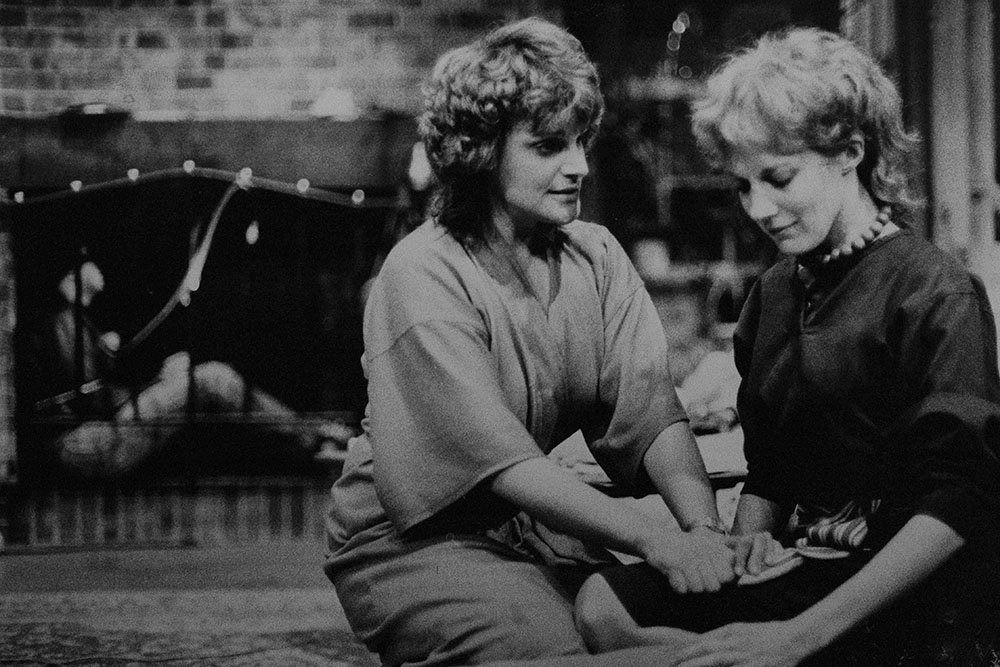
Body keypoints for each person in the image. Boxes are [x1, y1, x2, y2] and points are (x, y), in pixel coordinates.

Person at [574, 27, 1000, 666]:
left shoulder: (935, 289)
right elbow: (772, 472)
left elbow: (962, 497)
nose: (760, 209)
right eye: (744, 186)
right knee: (602, 604)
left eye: (779, 177)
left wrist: (798, 637)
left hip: (913, 587)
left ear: (850, 152)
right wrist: (744, 546)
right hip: (812, 564)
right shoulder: (773, 294)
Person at [323, 17, 741, 666]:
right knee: (560, 651)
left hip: (535, 526)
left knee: (636, 622)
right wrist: (656, 541)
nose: (579, 166)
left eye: (580, 141)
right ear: (482, 152)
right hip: (414, 539)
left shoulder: (595, 256)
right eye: (548, 146)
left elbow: (652, 412)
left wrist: (703, 530)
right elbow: (502, 464)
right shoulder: (423, 271)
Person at [28, 258, 354, 478]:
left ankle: (315, 438)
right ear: (70, 275)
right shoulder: (64, 322)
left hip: (92, 435)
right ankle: (317, 438)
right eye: (87, 262)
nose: (97, 266)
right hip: (83, 442)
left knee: (209, 377)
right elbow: (88, 397)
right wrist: (156, 383)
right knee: (211, 378)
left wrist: (157, 381)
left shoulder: (73, 321)